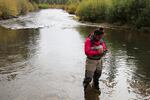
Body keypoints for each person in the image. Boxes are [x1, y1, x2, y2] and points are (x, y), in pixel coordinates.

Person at [83, 27, 107, 92]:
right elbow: (86, 52)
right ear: (95, 35)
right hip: (91, 60)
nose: (100, 38)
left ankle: (96, 85)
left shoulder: (101, 39)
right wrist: (97, 52)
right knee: (89, 77)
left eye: (101, 37)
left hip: (99, 60)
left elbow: (104, 47)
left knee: (98, 74)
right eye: (99, 37)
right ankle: (86, 86)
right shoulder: (88, 40)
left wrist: (104, 51)